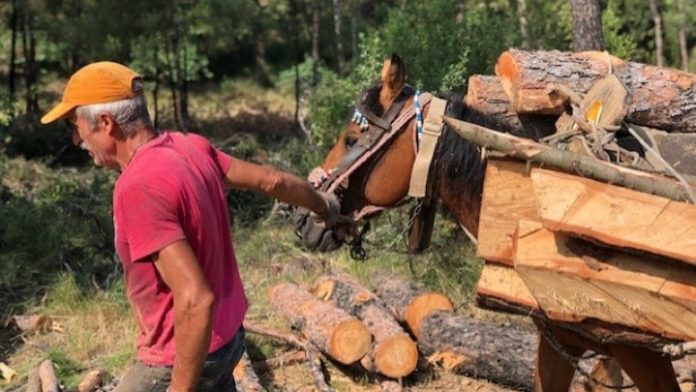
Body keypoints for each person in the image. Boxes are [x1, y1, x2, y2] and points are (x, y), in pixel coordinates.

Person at [41, 61, 340, 392]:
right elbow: (272, 180)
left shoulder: (138, 186)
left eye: (76, 125)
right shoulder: (190, 146)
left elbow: (196, 300)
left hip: (178, 357)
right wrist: (325, 205)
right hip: (228, 342)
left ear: (106, 123)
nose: (75, 137)